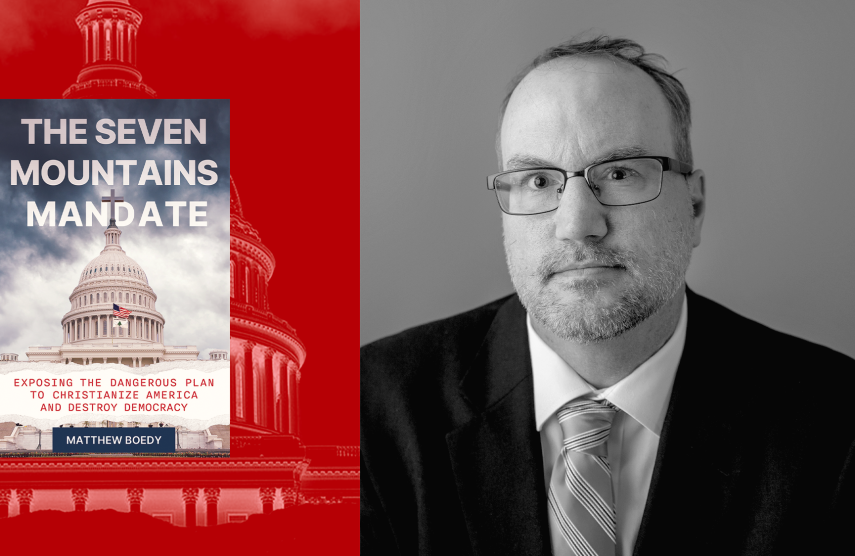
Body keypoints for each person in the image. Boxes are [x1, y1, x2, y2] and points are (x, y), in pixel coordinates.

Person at [360, 36, 854, 556]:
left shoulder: (836, 426)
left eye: (620, 174)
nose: (577, 225)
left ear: (695, 205)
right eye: (538, 180)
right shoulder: (369, 411)